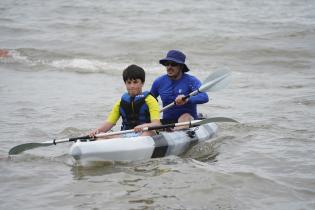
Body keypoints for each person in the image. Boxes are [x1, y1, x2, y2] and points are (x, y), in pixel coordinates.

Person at [90, 64, 160, 138]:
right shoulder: (121, 103)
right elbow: (109, 123)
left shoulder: (150, 100)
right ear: (125, 84)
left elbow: (157, 124)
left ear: (142, 83)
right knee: (101, 135)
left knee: (147, 133)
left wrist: (145, 126)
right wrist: (97, 131)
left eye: (135, 82)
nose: (132, 86)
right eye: (129, 82)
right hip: (126, 134)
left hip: (146, 133)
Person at [150, 50, 209, 124]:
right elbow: (150, 100)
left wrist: (187, 99)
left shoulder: (191, 81)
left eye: (173, 64)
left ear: (181, 66)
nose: (169, 67)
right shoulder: (159, 82)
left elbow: (204, 97)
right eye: (167, 64)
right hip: (167, 121)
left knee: (185, 117)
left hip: (187, 119)